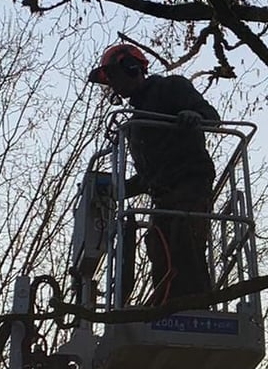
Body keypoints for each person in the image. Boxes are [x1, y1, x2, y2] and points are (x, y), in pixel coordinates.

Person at [87, 43, 220, 306]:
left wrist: (193, 116)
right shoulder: (135, 123)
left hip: (190, 185)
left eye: (114, 75)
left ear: (132, 67)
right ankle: (165, 306)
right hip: (163, 198)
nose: (113, 85)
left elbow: (211, 117)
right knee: (158, 250)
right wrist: (119, 190)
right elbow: (148, 176)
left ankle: (195, 307)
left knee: (186, 246)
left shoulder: (170, 88)